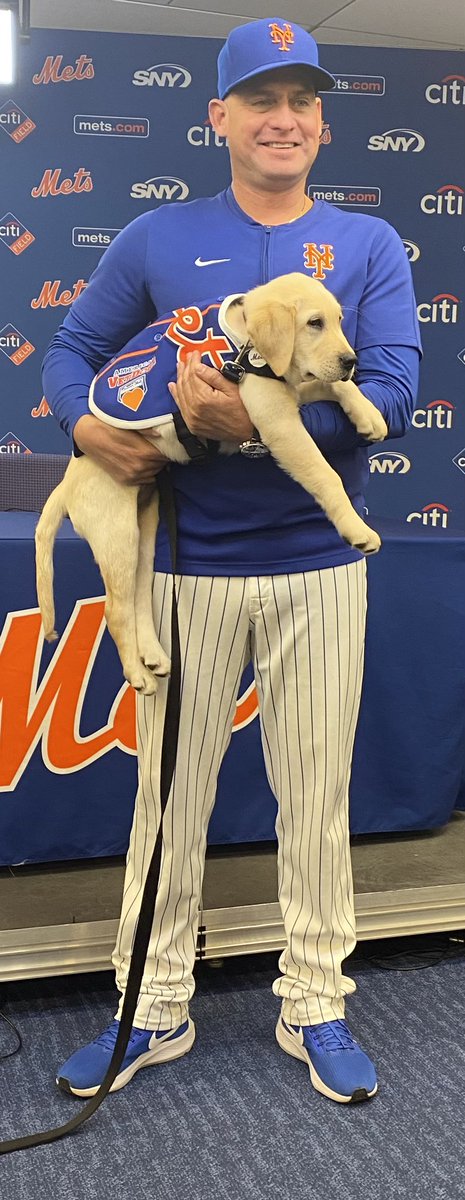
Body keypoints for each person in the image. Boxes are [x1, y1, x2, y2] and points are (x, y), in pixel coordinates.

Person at [43, 17, 421, 1105]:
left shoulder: (366, 245)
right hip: (191, 568)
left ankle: (315, 1000)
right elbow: (71, 352)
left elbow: (389, 391)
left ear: (323, 123)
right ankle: (150, 1005)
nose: (284, 119)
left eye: (302, 101)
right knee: (166, 798)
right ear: (221, 118)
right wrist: (83, 426)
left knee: (315, 794)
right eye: (262, 100)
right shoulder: (159, 237)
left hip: (316, 566)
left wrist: (254, 427)